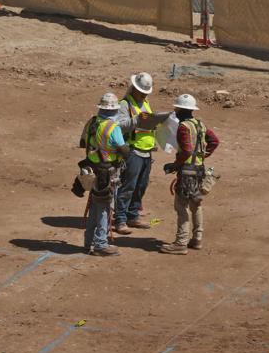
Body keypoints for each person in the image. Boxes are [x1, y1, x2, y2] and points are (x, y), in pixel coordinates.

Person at [160, 94, 220, 255]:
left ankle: (181, 243)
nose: (175, 110)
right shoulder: (200, 124)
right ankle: (197, 238)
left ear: (181, 109)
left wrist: (174, 165)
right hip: (200, 169)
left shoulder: (183, 127)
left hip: (187, 172)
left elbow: (186, 150)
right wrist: (201, 156)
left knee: (181, 206)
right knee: (196, 203)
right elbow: (214, 141)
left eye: (177, 108)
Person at [114, 72, 168, 235]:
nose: (144, 94)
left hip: (146, 151)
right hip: (132, 151)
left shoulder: (146, 103)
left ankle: (133, 215)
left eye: (146, 92)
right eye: (141, 91)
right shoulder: (124, 104)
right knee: (128, 186)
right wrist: (137, 119)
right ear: (134, 88)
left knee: (141, 186)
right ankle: (121, 219)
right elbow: (118, 126)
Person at [77, 93, 130, 256]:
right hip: (107, 172)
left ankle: (89, 241)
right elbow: (124, 150)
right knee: (105, 208)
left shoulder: (92, 122)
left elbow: (83, 143)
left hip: (92, 170)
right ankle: (100, 244)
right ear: (115, 110)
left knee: (95, 204)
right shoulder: (114, 128)